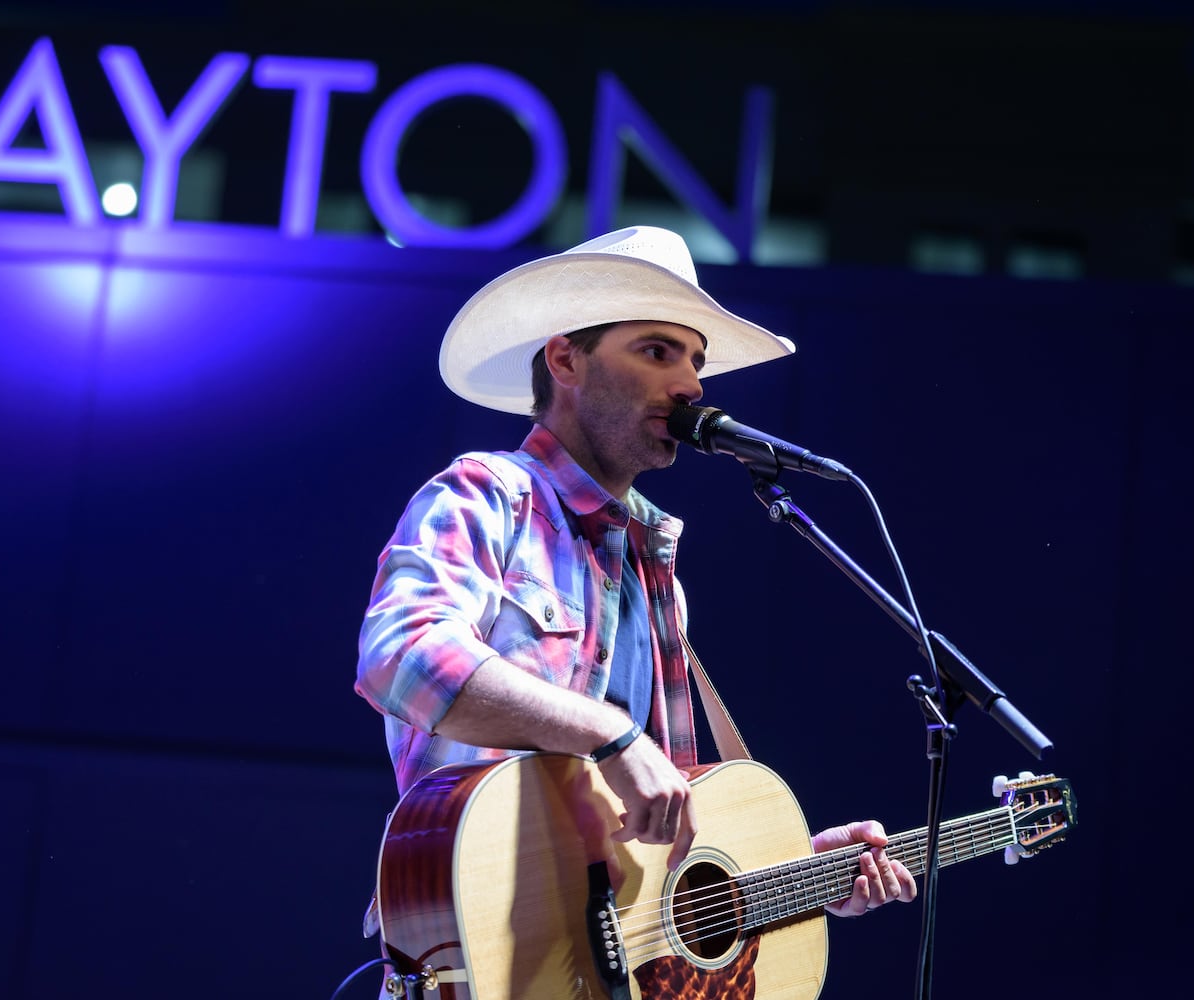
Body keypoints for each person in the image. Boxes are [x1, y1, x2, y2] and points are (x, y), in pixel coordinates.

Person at [354, 225, 916, 923]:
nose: (690, 385)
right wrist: (612, 734)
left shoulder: (658, 575)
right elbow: (400, 656)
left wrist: (795, 873)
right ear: (566, 358)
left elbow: (657, 827)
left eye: (696, 360)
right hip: (478, 943)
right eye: (657, 351)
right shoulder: (485, 495)